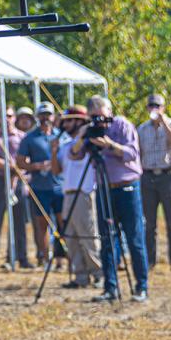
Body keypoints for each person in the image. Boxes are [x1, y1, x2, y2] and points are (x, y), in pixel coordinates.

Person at [71, 95, 150, 303]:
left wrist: (110, 145)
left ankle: (141, 287)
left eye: (102, 116)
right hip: (104, 187)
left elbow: (133, 153)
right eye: (94, 117)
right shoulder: (91, 131)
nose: (100, 122)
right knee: (107, 239)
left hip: (127, 186)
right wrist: (82, 136)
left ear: (110, 111)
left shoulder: (122, 125)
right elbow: (74, 155)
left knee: (134, 237)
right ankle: (110, 287)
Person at [54, 106, 103, 289]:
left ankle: (98, 273)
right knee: (71, 236)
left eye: (70, 120)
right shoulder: (66, 144)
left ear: (80, 122)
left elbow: (78, 153)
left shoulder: (88, 142)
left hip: (84, 192)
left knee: (88, 235)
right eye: (65, 121)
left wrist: (84, 133)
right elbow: (57, 170)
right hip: (68, 192)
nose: (65, 124)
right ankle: (80, 275)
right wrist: (53, 151)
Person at [137, 92, 171, 272]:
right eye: (151, 106)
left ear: (163, 108)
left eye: (157, 106)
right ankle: (150, 260)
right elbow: (138, 153)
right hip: (148, 176)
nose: (154, 109)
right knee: (149, 222)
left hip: (167, 175)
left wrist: (164, 123)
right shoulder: (141, 129)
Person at [18, 103, 63, 267]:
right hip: (39, 187)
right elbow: (20, 161)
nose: (46, 118)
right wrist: (36, 166)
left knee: (62, 223)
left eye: (48, 114)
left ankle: (61, 258)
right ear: (37, 117)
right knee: (42, 224)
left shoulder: (60, 135)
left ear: (53, 116)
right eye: (42, 115)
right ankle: (44, 258)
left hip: (60, 186)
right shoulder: (30, 138)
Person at [0, 107, 32, 270]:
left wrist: (19, 169)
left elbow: (27, 158)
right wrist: (11, 166)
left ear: (14, 118)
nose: (7, 119)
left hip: (18, 182)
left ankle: (23, 258)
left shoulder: (22, 137)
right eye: (3, 116)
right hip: (0, 181)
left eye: (10, 116)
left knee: (20, 222)